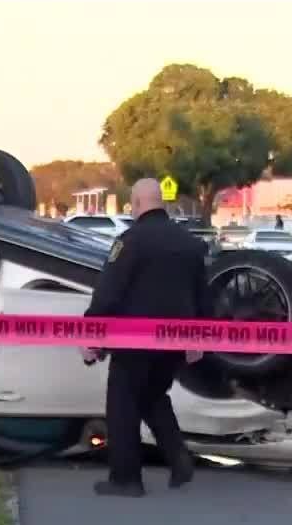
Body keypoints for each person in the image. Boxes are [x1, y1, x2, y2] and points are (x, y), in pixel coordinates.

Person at [81, 178, 208, 497]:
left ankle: (125, 479)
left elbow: (108, 293)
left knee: (122, 404)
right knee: (151, 396)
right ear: (160, 202)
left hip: (134, 341)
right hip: (176, 341)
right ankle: (179, 459)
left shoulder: (130, 241)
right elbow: (203, 296)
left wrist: (91, 332)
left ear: (137, 204)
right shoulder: (190, 244)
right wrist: (200, 337)